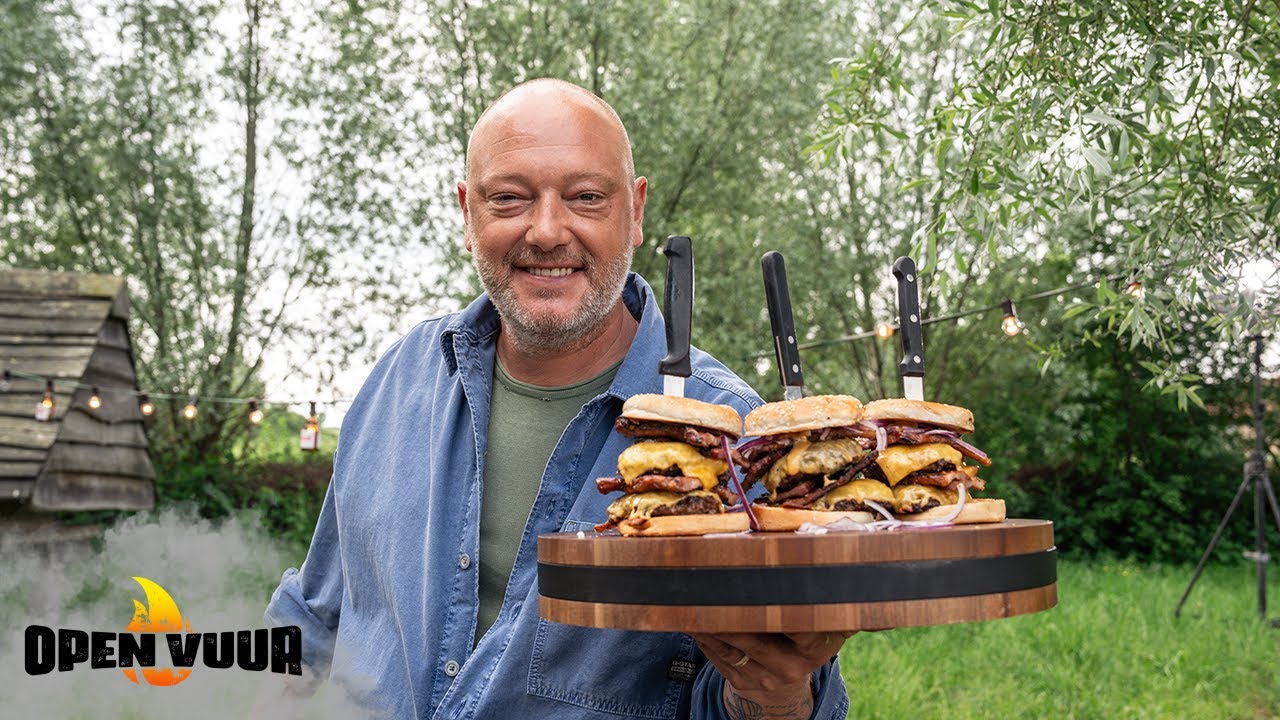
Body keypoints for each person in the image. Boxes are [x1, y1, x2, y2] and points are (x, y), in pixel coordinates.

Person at [260, 78, 851, 720]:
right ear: (467, 213)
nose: (546, 231)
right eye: (509, 198)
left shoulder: (737, 436)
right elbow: (313, 616)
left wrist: (775, 695)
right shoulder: (399, 381)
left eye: (586, 197)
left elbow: (756, 695)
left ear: (635, 211)